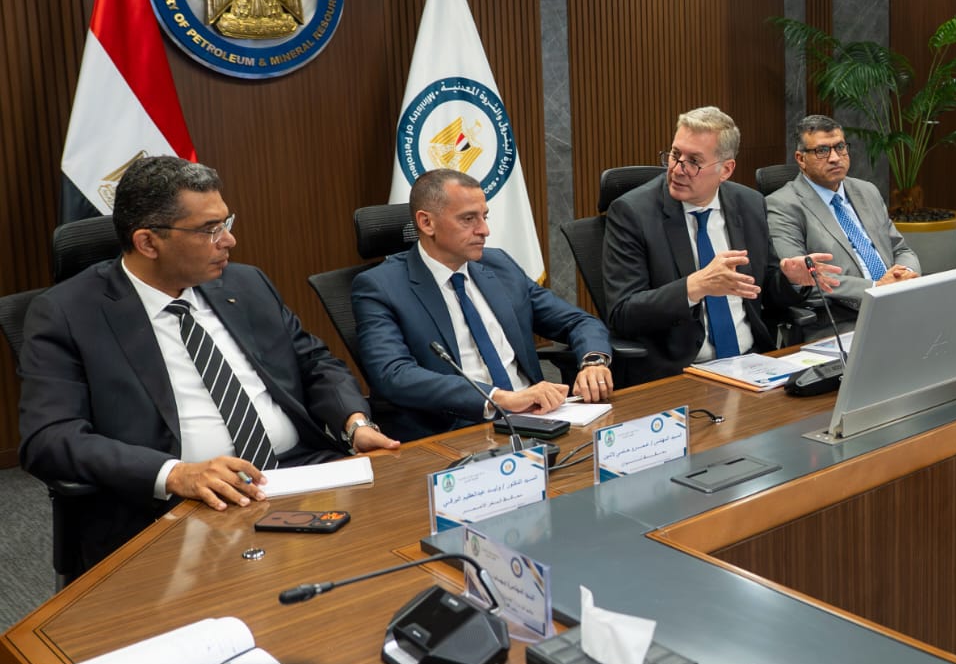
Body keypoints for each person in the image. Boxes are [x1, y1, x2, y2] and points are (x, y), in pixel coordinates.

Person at [19, 157, 397, 570]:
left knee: (395, 548)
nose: (229, 240)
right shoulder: (68, 313)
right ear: (148, 243)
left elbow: (314, 362)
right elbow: (50, 438)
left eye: (226, 222)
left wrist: (354, 422)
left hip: (299, 473)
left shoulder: (246, 283)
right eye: (210, 230)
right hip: (180, 505)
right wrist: (176, 474)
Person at [352, 169, 614, 440]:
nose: (484, 230)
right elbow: (394, 374)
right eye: (468, 219)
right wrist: (498, 398)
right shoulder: (381, 287)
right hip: (456, 433)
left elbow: (577, 321)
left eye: (484, 217)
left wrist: (593, 361)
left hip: (539, 419)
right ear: (426, 222)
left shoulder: (499, 266)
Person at [604, 106, 841, 384]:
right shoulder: (632, 213)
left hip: (754, 364)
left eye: (694, 161)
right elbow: (623, 313)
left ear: (726, 169)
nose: (677, 169)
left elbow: (763, 292)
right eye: (675, 155)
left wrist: (790, 279)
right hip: (681, 373)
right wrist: (695, 286)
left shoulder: (749, 204)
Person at [766, 114, 919, 327]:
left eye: (840, 147)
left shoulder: (867, 191)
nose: (835, 158)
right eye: (822, 150)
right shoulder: (782, 205)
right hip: (842, 318)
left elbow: (901, 250)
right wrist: (875, 289)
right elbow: (803, 277)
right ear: (801, 159)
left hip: (899, 302)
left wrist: (905, 276)